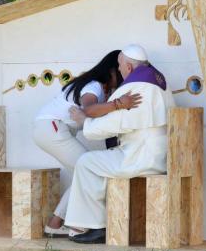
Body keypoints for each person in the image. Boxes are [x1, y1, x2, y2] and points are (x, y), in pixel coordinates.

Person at [63, 44, 175, 244]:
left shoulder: (134, 89)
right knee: (100, 162)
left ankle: (94, 226)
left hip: (140, 157)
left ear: (129, 68)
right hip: (160, 155)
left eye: (120, 65)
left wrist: (84, 121)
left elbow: (105, 128)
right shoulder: (161, 85)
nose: (120, 70)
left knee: (86, 162)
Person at [32, 49, 142, 237]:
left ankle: (56, 222)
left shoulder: (101, 89)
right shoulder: (94, 86)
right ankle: (71, 224)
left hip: (50, 129)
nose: (124, 77)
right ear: (112, 71)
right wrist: (119, 104)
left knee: (82, 172)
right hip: (52, 128)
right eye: (122, 72)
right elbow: (89, 108)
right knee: (88, 170)